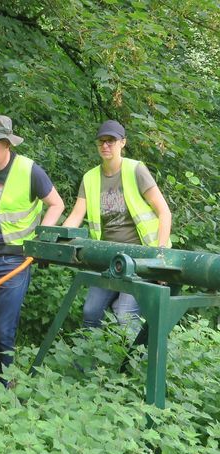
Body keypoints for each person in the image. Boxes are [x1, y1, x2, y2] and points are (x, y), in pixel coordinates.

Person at [0, 115, 64, 392]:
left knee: (3, 328)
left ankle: (1, 384)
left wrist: (41, 237)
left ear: (7, 143)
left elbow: (56, 204)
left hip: (14, 259)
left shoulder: (30, 170)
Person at [63, 119, 172, 330]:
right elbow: (76, 215)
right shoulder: (90, 177)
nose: (105, 145)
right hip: (107, 258)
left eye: (111, 141)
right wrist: (58, 238)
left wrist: (160, 257)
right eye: (101, 141)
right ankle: (92, 361)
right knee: (91, 312)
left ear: (122, 143)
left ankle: (129, 363)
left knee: (125, 314)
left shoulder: (135, 170)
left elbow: (163, 211)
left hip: (141, 258)